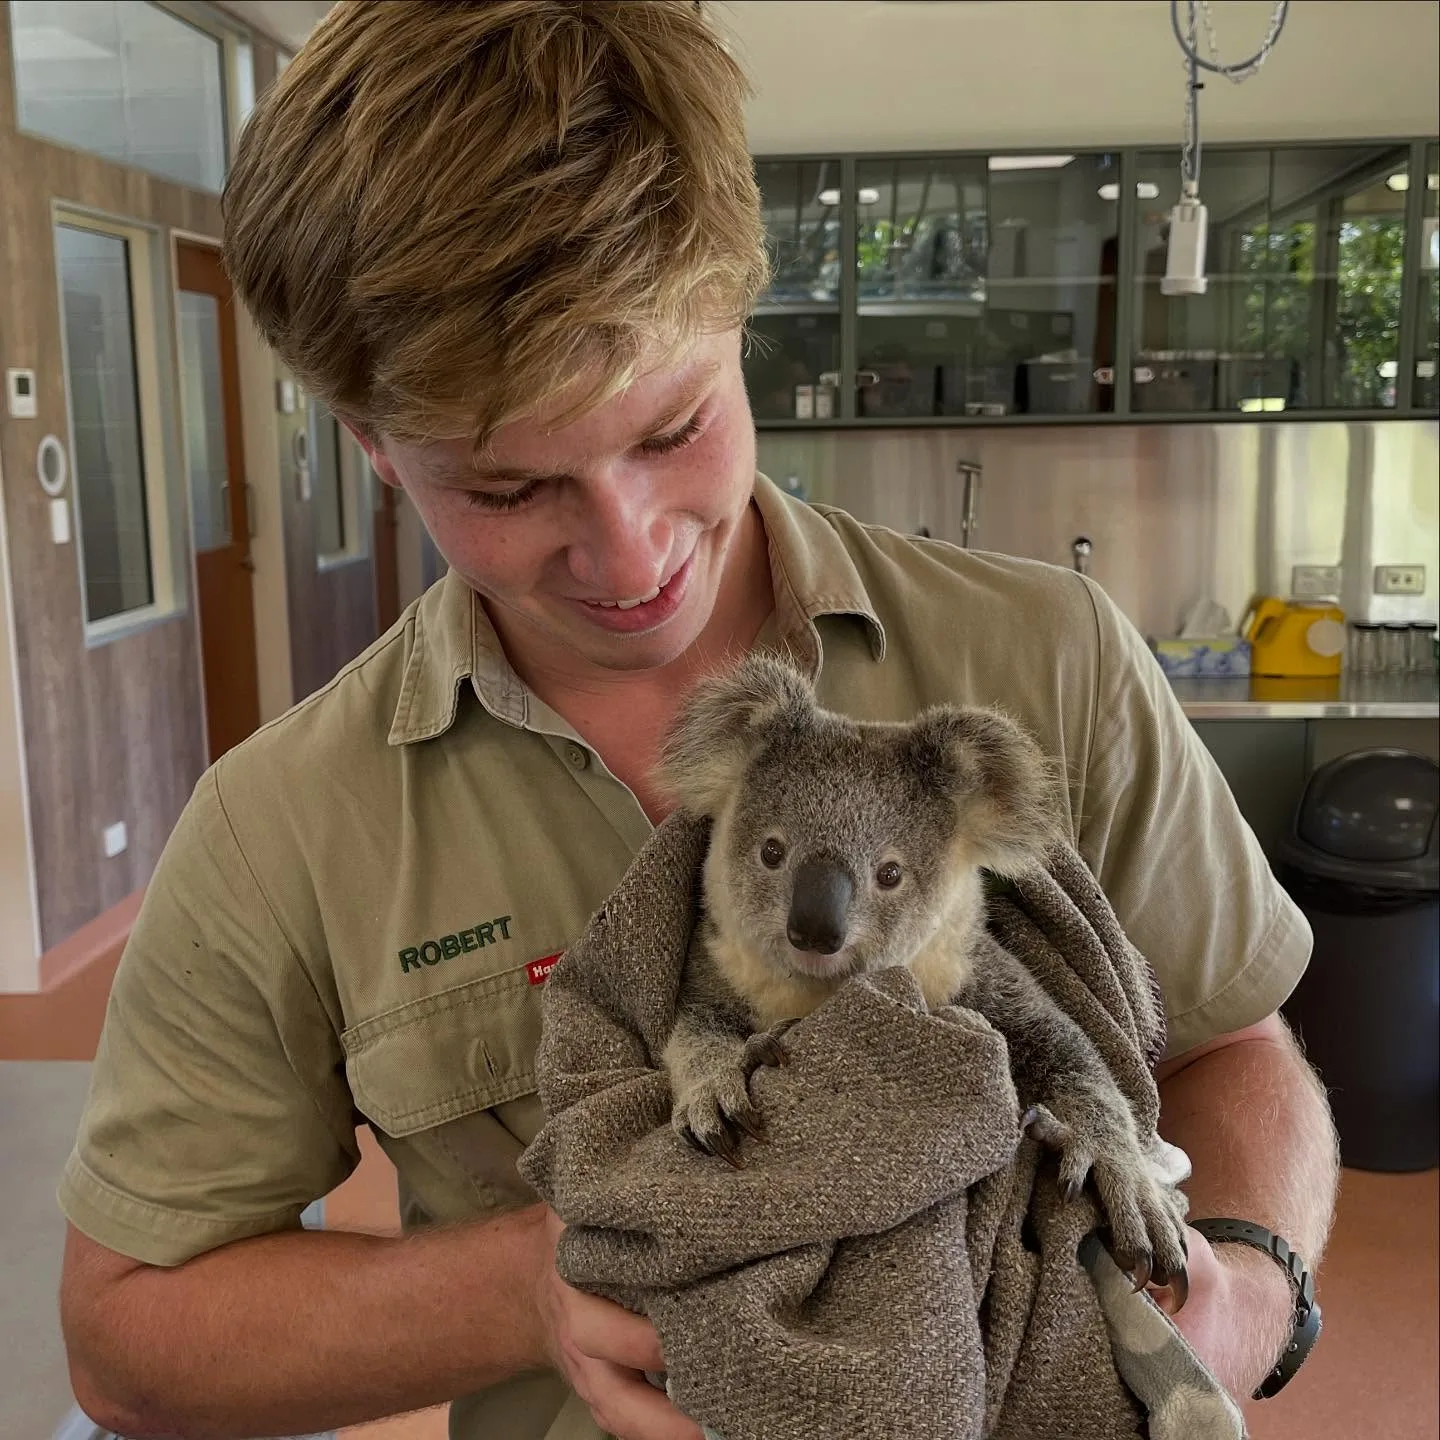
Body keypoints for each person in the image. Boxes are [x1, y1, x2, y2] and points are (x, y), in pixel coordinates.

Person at [56, 5, 1339, 1439]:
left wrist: (1254, 1289)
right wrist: (532, 1285)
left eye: (671, 430)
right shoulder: (279, 827)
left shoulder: (1048, 658)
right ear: (371, 442)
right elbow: (124, 1338)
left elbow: (1233, 1045)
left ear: (742, 312)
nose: (630, 552)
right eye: (508, 488)